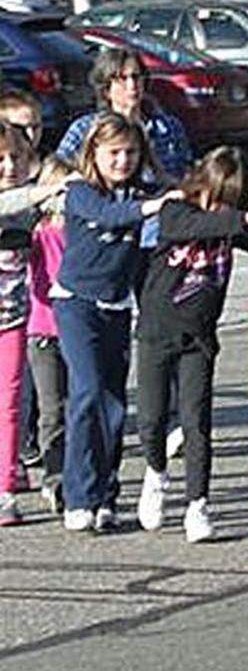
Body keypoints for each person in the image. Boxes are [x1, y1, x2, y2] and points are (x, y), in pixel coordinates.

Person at [134, 147, 248, 543]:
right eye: (221, 200)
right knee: (150, 420)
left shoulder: (230, 226)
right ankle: (156, 472)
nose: (224, 211)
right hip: (156, 332)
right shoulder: (176, 210)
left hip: (198, 339)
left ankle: (197, 504)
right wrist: (242, 218)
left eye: (232, 204)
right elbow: (191, 228)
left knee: (196, 421)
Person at [54, 113, 179, 532]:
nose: (123, 160)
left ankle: (106, 494)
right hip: (76, 304)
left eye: (130, 153)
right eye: (114, 153)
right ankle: (78, 495)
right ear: (94, 153)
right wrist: (151, 206)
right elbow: (110, 216)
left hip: (116, 305)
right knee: (86, 391)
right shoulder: (79, 192)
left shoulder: (141, 191)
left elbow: (173, 197)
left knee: (112, 404)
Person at [55, 48, 192, 185]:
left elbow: (187, 172)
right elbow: (57, 173)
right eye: (122, 79)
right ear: (106, 89)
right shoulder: (84, 128)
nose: (132, 85)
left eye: (136, 77)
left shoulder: (169, 128)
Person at [26, 157, 75, 516]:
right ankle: (54, 476)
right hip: (43, 331)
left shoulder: (82, 230)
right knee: (52, 410)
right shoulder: (37, 232)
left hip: (78, 328)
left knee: (80, 407)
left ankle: (79, 474)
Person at [0, 123, 40, 525]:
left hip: (14, 320)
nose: (10, 166)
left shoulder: (33, 207)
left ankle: (5, 488)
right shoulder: (26, 200)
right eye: (1, 160)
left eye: (17, 157)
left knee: (10, 403)